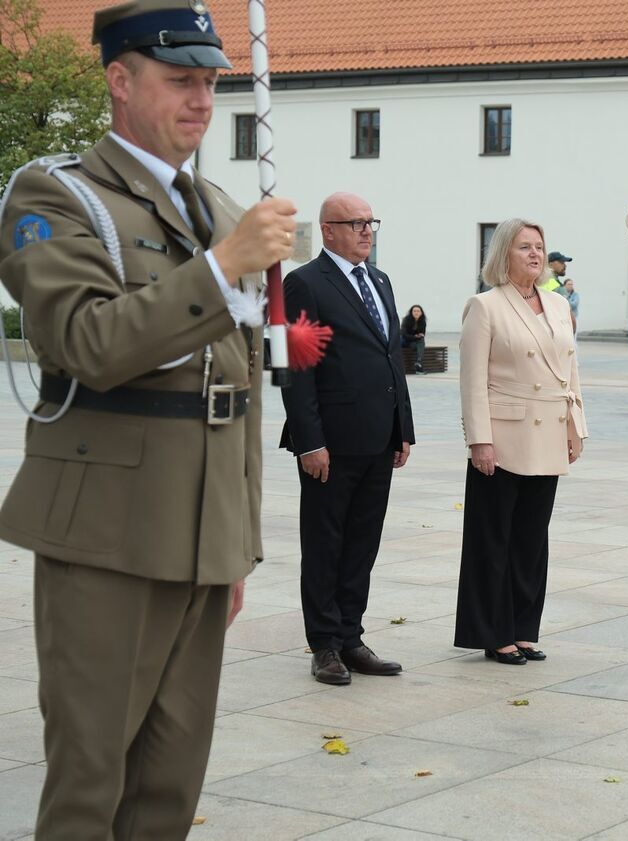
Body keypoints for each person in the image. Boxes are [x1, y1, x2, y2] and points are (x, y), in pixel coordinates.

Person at [0, 1, 297, 835]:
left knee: (170, 785)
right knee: (91, 782)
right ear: (120, 83)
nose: (201, 101)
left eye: (209, 83)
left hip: (201, 535)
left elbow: (234, 387)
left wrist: (238, 542)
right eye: (180, 81)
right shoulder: (56, 196)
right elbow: (85, 342)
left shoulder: (212, 202)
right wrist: (223, 264)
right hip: (107, 535)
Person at [280, 192, 415, 686]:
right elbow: (298, 369)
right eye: (355, 223)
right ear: (328, 230)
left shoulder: (379, 281)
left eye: (370, 222)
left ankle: (352, 637)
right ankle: (325, 646)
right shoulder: (305, 284)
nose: (366, 231)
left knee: (362, 543)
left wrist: (404, 428)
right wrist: (308, 441)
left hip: (379, 439)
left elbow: (390, 358)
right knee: (325, 543)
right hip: (330, 446)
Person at [455, 218, 588, 664]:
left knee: (532, 539)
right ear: (502, 255)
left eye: (538, 246)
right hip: (504, 434)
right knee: (493, 539)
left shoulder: (557, 305)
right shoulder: (485, 306)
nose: (534, 254)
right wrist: (479, 440)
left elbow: (570, 371)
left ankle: (523, 628)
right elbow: (472, 381)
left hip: (548, 430)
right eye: (523, 247)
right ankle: (493, 632)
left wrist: (575, 427)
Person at [401, 303, 426, 373]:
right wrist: (415, 336)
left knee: (421, 340)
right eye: (414, 311)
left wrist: (417, 337)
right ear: (411, 312)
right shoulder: (406, 320)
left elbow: (422, 334)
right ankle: (419, 363)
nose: (416, 313)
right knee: (420, 341)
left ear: (421, 313)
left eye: (418, 311)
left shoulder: (423, 322)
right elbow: (404, 334)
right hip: (403, 341)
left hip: (412, 342)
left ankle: (418, 362)